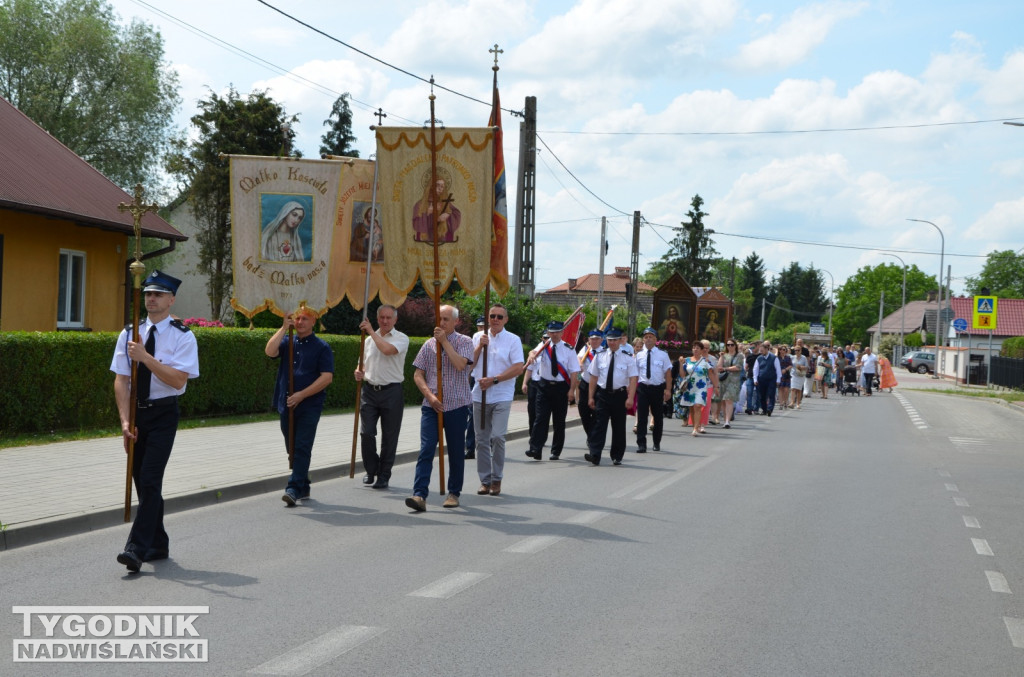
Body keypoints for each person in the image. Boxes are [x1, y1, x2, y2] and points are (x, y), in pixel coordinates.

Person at [111, 270, 199, 573]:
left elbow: (177, 381)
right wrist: (124, 421)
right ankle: (158, 543)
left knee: (149, 478)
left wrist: (147, 358)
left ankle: (135, 549)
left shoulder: (182, 336)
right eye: (148, 293)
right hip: (137, 414)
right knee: (143, 482)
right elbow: (121, 380)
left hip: (163, 413)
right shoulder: (129, 333)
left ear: (171, 299)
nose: (151, 298)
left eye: (158, 294)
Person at [405, 305, 474, 511]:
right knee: (426, 449)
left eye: (446, 319)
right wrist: (430, 396)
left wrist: (444, 342)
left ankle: (454, 492)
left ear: (455, 322)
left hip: (457, 404)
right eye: (440, 319)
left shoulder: (465, 342)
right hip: (432, 406)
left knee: (455, 451)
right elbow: (418, 374)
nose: (442, 323)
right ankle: (419, 495)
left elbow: (461, 365)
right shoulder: (428, 345)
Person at [266, 305, 334, 506]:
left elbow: (326, 377)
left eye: (304, 319)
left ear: (313, 321)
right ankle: (303, 484)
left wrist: (302, 395)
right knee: (292, 447)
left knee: (302, 446)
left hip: (309, 405)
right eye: (297, 319)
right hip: (286, 403)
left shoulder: (322, 347)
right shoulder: (287, 341)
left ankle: (293, 488)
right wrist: (282, 327)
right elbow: (270, 351)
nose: (300, 322)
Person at [354, 304, 409, 489]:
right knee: (366, 432)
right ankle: (371, 469)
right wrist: (358, 372)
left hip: (391, 392)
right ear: (378, 318)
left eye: (389, 318)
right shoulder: (368, 340)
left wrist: (370, 331)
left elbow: (387, 350)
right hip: (369, 391)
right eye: (382, 318)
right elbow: (361, 363)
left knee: (389, 436)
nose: (385, 321)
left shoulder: (402, 338)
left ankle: (384, 475)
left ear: (395, 320)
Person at [472, 304, 525, 495]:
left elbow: (519, 367)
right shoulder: (478, 337)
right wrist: (479, 347)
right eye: (492, 316)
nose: (495, 319)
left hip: (502, 394)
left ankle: (497, 479)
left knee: (498, 437)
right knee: (481, 440)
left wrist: (494, 380)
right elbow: (470, 364)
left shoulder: (513, 340)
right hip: (480, 394)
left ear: (506, 320)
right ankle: (485, 480)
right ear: (488, 317)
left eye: (499, 317)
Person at [526, 321, 580, 461]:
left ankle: (556, 451)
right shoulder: (544, 346)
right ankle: (535, 449)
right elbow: (533, 352)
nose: (554, 334)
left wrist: (571, 391)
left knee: (559, 421)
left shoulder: (569, 349)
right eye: (552, 332)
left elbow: (574, 372)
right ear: (548, 333)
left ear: (562, 333)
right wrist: (531, 355)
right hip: (544, 387)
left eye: (557, 332)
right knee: (540, 418)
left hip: (561, 388)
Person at [585, 328, 638, 465]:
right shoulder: (600, 355)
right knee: (599, 425)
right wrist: (591, 397)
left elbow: (633, 379)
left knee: (618, 427)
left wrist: (630, 398)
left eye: (615, 340)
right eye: (609, 340)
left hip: (619, 395)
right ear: (606, 341)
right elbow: (594, 377)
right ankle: (595, 454)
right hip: (602, 394)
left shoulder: (627, 357)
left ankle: (617, 455)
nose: (612, 343)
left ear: (620, 341)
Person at [634, 327, 673, 452]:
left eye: (651, 337)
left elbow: (668, 373)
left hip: (657, 388)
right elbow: (635, 374)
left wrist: (668, 389)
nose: (648, 339)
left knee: (657, 417)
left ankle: (656, 442)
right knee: (642, 417)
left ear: (656, 339)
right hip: (643, 388)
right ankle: (641, 444)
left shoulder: (663, 355)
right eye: (646, 337)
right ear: (643, 340)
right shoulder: (639, 355)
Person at [674, 340, 718, 436]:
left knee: (698, 406)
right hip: (690, 386)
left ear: (702, 350)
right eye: (694, 348)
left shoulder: (705, 361)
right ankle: (695, 426)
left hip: (701, 387)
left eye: (697, 348)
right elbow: (682, 375)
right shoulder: (687, 360)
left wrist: (716, 386)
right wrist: (681, 364)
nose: (695, 350)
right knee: (692, 408)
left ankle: (695, 429)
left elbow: (711, 374)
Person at [413, 173, 461, 242]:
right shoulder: (420, 204)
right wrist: (427, 212)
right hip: (426, 239)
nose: (440, 188)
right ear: (431, 186)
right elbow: (415, 223)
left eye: (442, 186)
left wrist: (447, 215)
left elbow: (456, 213)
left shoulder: (445, 202)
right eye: (437, 185)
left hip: (442, 238)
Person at [465, 316, 486, 460]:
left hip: (493, 381)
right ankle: (470, 447)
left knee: (489, 416)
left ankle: (487, 444)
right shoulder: (476, 337)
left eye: (484, 326)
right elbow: (471, 359)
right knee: (472, 415)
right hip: (476, 379)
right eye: (479, 326)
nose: (482, 329)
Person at [576, 329, 604, 438]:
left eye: (597, 339)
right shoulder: (585, 350)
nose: (594, 341)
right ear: (588, 340)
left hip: (599, 387)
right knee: (584, 412)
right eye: (592, 339)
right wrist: (579, 364)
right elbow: (578, 357)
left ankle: (593, 438)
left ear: (601, 340)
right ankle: (590, 435)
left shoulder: (604, 352)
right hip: (585, 384)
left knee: (597, 414)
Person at [718, 338, 745, 429]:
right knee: (723, 401)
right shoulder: (725, 355)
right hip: (723, 380)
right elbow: (719, 367)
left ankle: (727, 421)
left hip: (734, 381)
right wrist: (721, 356)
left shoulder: (739, 355)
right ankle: (725, 419)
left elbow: (738, 367)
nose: (730, 346)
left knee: (728, 399)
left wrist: (726, 369)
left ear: (735, 346)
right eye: (728, 345)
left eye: (732, 345)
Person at [753, 341, 781, 416]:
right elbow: (755, 369)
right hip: (761, 380)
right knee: (762, 396)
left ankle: (770, 409)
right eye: (760, 351)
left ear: (766, 349)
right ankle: (764, 410)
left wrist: (778, 380)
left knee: (771, 394)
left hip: (771, 379)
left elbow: (778, 370)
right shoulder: (759, 358)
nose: (761, 352)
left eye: (762, 350)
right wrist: (755, 379)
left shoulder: (774, 358)